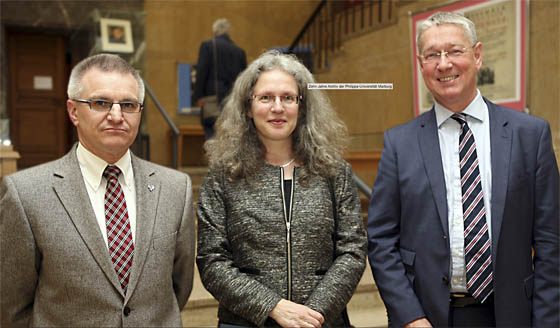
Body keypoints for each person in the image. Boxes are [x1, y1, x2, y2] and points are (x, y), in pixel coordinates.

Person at [367, 11, 559, 327]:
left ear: (478, 55)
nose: (444, 64)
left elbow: (552, 241)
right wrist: (409, 316)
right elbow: (381, 239)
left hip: (512, 314)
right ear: (421, 64)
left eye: (455, 51)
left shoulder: (530, 135)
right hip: (429, 317)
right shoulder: (399, 143)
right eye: (432, 55)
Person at [0, 54, 195, 327]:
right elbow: (12, 307)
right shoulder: (26, 194)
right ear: (73, 111)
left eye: (128, 105)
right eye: (100, 103)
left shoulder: (176, 189)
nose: (116, 116)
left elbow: (179, 287)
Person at [196, 50, 367, 327]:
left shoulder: (334, 171)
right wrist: (272, 307)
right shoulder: (223, 175)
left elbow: (353, 250)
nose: (278, 107)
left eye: (288, 97)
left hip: (322, 321)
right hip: (246, 321)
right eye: (266, 98)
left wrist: (312, 314)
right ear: (248, 108)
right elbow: (211, 259)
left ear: (302, 106)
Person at [194, 18, 247, 139]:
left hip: (212, 99)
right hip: (233, 101)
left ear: (215, 32)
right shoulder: (240, 52)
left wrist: (199, 96)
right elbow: (244, 80)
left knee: (211, 132)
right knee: (231, 134)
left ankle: (216, 157)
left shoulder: (208, 46)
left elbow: (201, 71)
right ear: (229, 33)